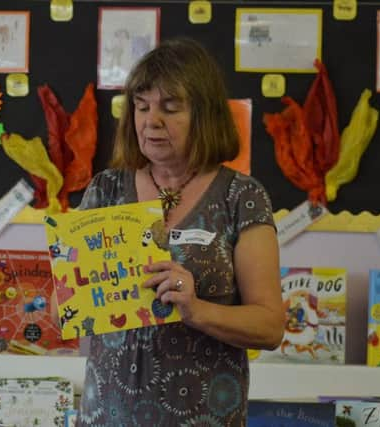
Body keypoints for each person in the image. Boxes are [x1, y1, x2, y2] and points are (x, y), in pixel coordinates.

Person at [76, 37, 285, 426]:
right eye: (141, 107)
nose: (151, 121)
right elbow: (70, 306)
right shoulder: (105, 190)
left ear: (204, 116)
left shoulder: (241, 197)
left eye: (170, 109)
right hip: (107, 415)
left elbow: (270, 326)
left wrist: (196, 309)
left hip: (203, 415)